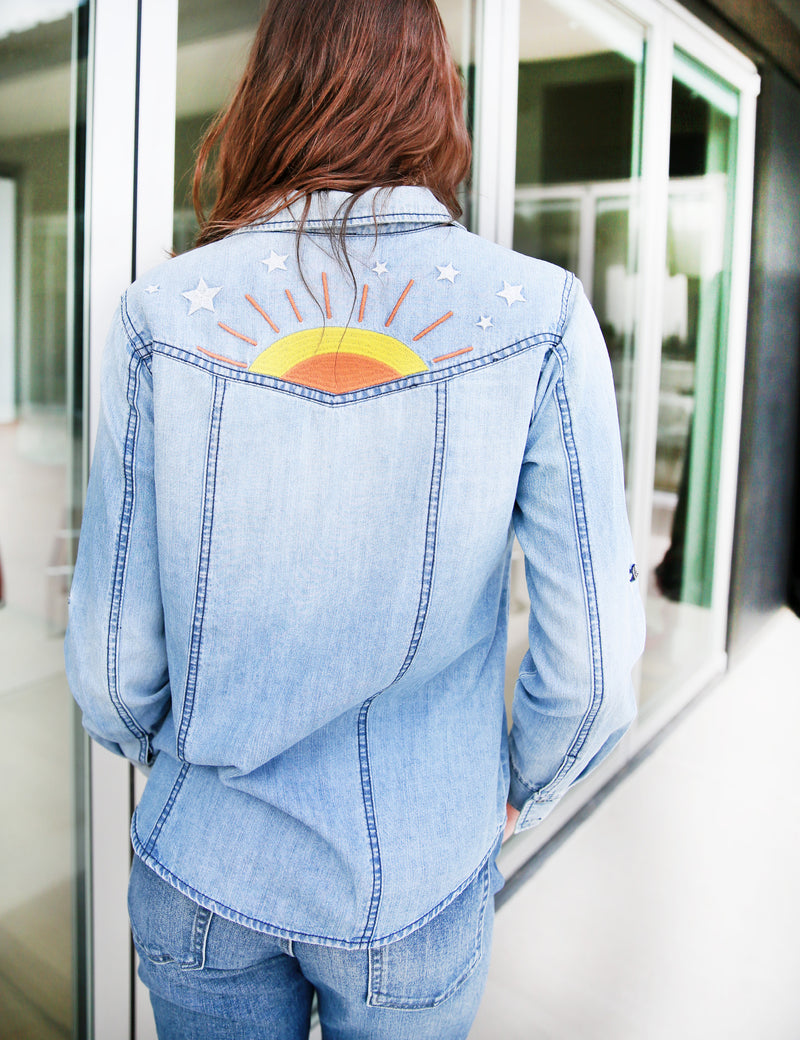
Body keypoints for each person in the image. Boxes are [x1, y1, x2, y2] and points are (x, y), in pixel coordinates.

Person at [65, 1, 646, 1037]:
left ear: (265, 93)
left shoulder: (161, 315)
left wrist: (189, 767)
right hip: (418, 877)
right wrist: (515, 789)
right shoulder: (540, 316)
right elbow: (592, 671)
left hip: (202, 863)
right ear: (436, 97)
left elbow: (111, 670)